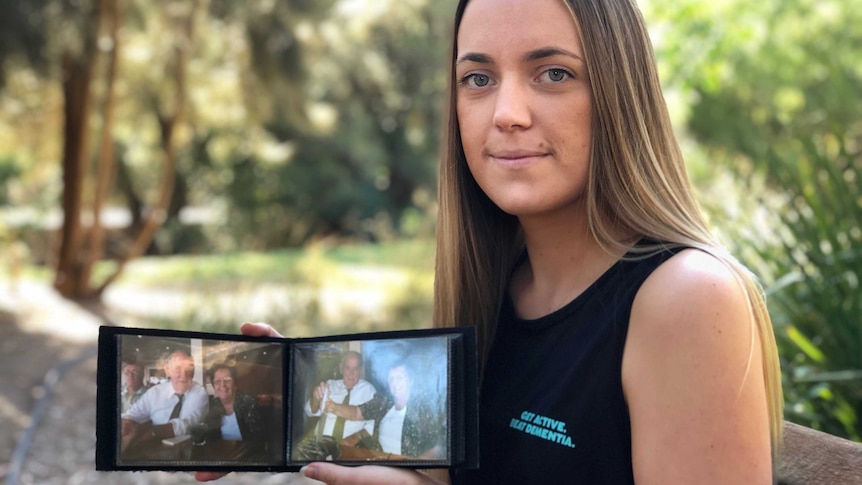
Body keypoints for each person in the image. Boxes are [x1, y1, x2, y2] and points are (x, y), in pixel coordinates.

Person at [198, 0, 783, 483]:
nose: (506, 113)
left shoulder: (687, 299)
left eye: (553, 73)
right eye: (478, 79)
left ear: (619, 96)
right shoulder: (494, 287)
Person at [325, 360, 445, 460]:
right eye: (391, 379)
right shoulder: (384, 403)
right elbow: (356, 413)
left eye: (399, 377)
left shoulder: (422, 408)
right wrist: (332, 405)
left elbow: (440, 445)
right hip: (381, 462)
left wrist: (417, 465)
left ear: (411, 380)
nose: (395, 383)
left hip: (408, 468)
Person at [122, 349, 209, 452]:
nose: (184, 376)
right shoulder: (155, 392)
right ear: (167, 370)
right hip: (153, 450)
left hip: (188, 452)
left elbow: (189, 424)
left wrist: (152, 431)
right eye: (177, 369)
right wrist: (126, 425)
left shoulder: (199, 392)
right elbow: (132, 414)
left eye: (188, 369)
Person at [294, 351, 376, 460]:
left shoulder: (369, 390)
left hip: (347, 452)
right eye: (347, 368)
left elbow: (373, 426)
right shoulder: (330, 384)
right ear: (341, 368)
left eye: (355, 369)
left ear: (361, 370)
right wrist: (315, 398)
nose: (351, 373)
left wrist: (352, 439)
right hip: (319, 448)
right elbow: (309, 411)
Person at [201, 362, 265, 443]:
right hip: (221, 453)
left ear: (235, 384)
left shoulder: (248, 402)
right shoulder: (213, 406)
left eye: (227, 380)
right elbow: (211, 438)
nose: (222, 385)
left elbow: (258, 440)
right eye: (217, 381)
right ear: (214, 386)